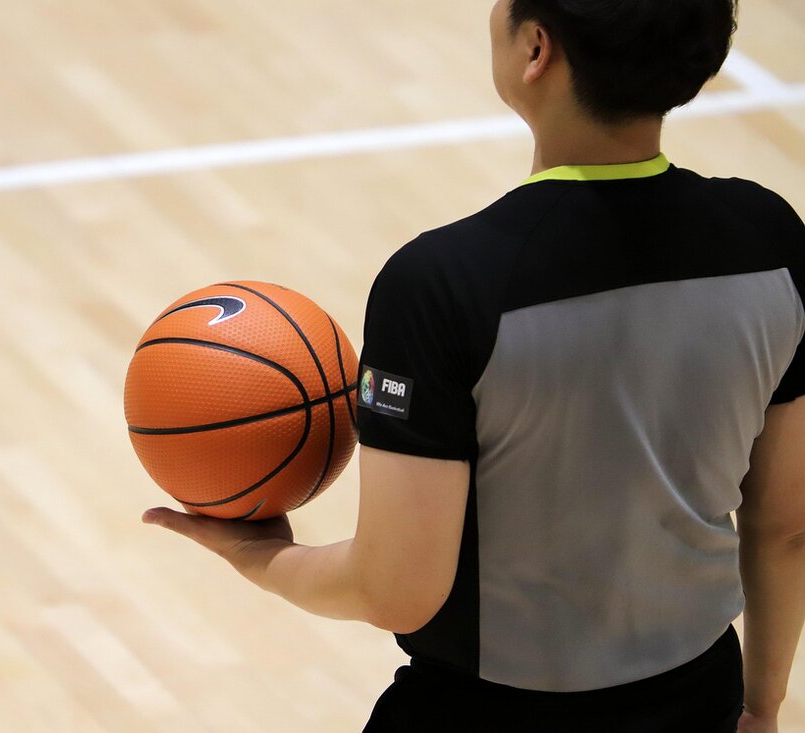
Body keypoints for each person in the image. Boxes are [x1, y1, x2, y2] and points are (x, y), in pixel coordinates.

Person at [142, 0, 805, 730]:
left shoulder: (440, 285)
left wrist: (258, 556)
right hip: (694, 700)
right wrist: (759, 704)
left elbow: (395, 587)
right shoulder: (769, 239)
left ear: (535, 50)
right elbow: (784, 526)